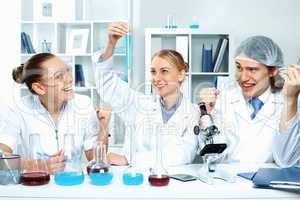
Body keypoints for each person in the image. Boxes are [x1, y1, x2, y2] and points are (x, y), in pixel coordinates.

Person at [93, 22, 199, 168]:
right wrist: (111, 44)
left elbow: (184, 153)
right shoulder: (139, 103)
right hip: (135, 181)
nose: (156, 78)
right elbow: (106, 84)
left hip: (171, 183)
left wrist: (128, 159)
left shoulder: (193, 112)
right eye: (153, 72)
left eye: (164, 71)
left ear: (181, 75)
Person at [0, 53, 111, 174]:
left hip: (73, 182)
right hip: (37, 185)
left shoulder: (84, 104)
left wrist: (104, 128)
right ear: (39, 88)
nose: (69, 79)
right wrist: (36, 165)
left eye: (67, 71)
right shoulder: (19, 109)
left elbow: (94, 158)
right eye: (59, 76)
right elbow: (1, 158)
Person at [199, 35, 300, 167]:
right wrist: (208, 115)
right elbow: (211, 157)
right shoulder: (224, 99)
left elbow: (285, 160)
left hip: (267, 185)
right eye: (239, 68)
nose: (243, 78)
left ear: (273, 70)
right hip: (227, 183)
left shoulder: (289, 102)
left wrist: (290, 100)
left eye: (252, 69)